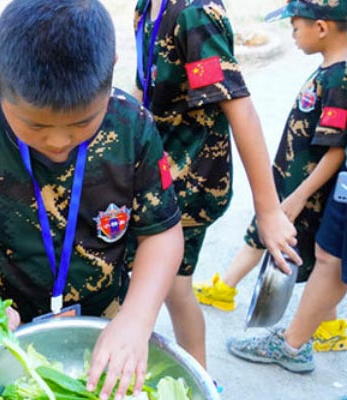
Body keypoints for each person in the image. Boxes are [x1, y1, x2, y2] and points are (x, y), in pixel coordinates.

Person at [0, 0, 184, 398]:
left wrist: (136, 318)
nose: (59, 141)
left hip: (109, 322)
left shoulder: (132, 127)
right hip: (9, 329)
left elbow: (162, 233)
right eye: (36, 125)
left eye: (82, 122)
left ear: (111, 69)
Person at [133, 0, 303, 369]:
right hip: (154, 173)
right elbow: (143, 85)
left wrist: (269, 211)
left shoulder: (195, 14)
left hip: (191, 184)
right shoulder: (147, 5)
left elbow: (238, 107)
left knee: (173, 287)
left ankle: (201, 379)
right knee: (162, 284)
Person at [194, 0, 347, 353]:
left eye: (295, 25)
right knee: (270, 236)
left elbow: (336, 148)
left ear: (321, 27)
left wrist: (299, 196)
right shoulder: (328, 70)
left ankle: (230, 288)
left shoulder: (339, 79)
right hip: (288, 179)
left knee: (294, 248)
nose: (292, 34)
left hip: (303, 189)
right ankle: (328, 324)